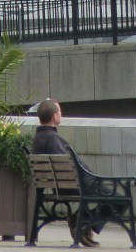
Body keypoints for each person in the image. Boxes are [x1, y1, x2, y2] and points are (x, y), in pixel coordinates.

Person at [32, 99, 100, 248]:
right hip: (74, 185)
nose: (61, 114)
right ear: (54, 116)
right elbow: (67, 167)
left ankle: (81, 221)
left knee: (109, 195)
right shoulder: (53, 138)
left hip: (58, 185)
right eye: (60, 112)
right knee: (118, 200)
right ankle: (83, 223)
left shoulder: (38, 138)